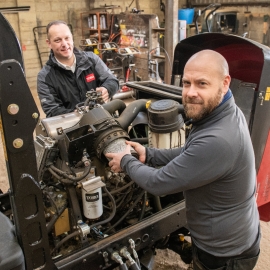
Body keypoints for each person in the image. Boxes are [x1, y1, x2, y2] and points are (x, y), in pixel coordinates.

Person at [106, 50, 261, 270]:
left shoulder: (220, 139)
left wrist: (125, 161)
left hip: (224, 256)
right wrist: (150, 154)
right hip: (231, 235)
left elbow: (158, 183)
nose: (190, 92)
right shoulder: (224, 111)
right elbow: (191, 151)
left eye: (202, 84)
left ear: (225, 83)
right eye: (186, 83)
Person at [37, 20, 119, 117]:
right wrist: (80, 115)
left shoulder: (91, 59)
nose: (64, 44)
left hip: (102, 120)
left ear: (72, 38)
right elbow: (52, 110)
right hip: (72, 128)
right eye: (58, 40)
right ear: (49, 43)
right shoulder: (45, 77)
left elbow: (113, 80)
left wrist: (107, 89)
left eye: (67, 38)